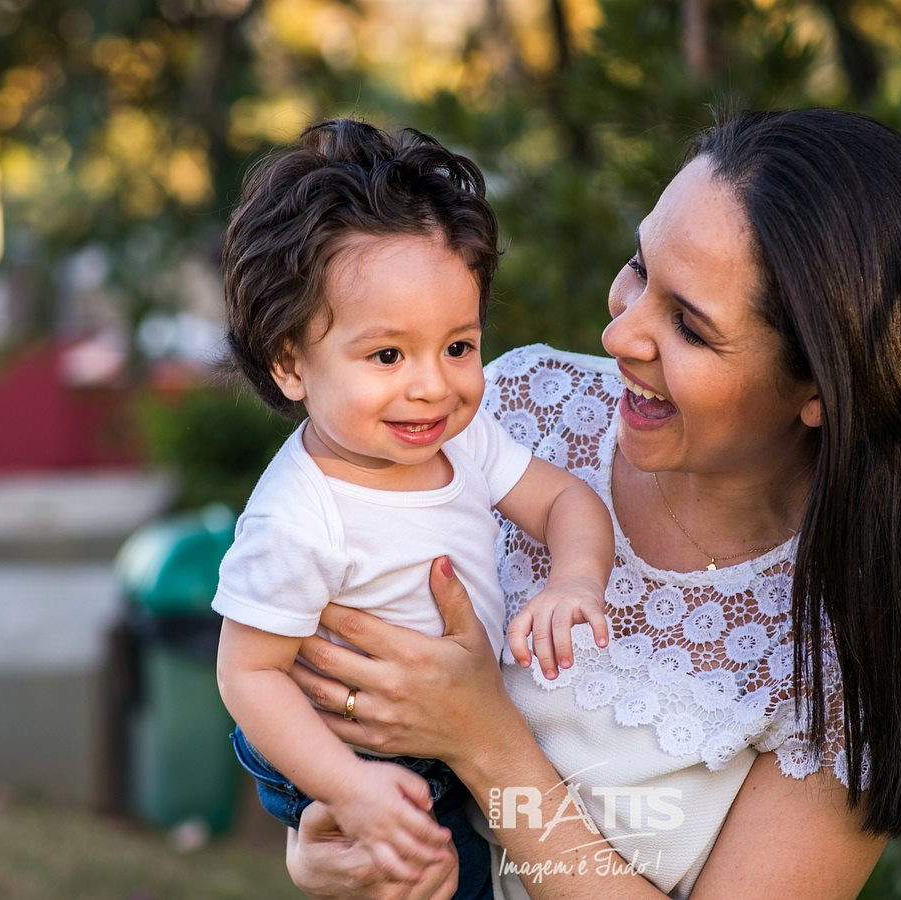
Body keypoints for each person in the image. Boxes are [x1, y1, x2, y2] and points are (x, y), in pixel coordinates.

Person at [282, 108, 901, 899]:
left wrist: (485, 743)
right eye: (639, 266)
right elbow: (334, 666)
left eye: (690, 327)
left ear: (820, 389)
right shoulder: (519, 413)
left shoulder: (852, 657)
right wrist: (323, 848)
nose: (621, 333)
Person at [211, 119, 616, 899]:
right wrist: (349, 789)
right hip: (355, 750)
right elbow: (248, 675)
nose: (432, 385)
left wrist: (575, 580)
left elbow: (567, 499)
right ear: (290, 362)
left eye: (458, 347)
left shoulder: (467, 439)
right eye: (388, 355)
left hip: (446, 727)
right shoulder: (299, 516)